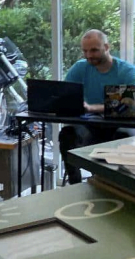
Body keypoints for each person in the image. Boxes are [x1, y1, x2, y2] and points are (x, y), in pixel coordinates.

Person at [58, 29, 135, 184]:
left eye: (93, 50)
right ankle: (75, 182)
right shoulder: (80, 68)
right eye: (85, 51)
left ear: (107, 47)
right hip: (91, 124)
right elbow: (65, 93)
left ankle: (115, 184)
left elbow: (130, 105)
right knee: (67, 135)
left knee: (124, 136)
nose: (88, 55)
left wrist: (92, 108)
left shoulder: (126, 71)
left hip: (118, 125)